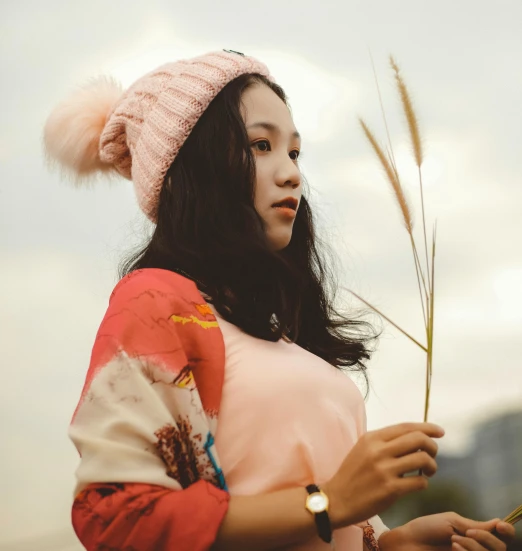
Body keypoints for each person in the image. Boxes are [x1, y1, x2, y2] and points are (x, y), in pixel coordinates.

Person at [43, 49, 515, 551]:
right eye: (260, 145)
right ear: (191, 165)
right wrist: (328, 502)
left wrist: (393, 544)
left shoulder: (279, 338)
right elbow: (120, 520)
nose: (290, 173)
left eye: (293, 153)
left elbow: (323, 522)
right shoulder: (157, 302)